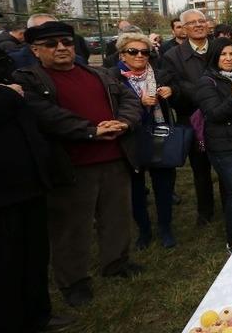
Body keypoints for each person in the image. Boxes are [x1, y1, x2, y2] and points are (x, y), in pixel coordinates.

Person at [14, 21, 144, 308]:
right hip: (72, 165)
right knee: (73, 226)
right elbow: (46, 115)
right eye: (51, 44)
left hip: (114, 157)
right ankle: (74, 281)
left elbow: (130, 100)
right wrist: (91, 130)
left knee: (116, 217)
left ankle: (116, 262)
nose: (61, 48)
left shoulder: (97, 72)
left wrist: (124, 122)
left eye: (66, 42)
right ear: (35, 50)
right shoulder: (28, 80)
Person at [0, 41, 73, 332]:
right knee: (4, 260)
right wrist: (7, 95)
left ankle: (39, 314)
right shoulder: (9, 88)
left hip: (29, 178)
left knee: (34, 254)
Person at [112, 32, 177, 250]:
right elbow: (111, 108)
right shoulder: (112, 77)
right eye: (133, 51)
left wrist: (172, 91)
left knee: (164, 186)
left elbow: (186, 94)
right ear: (122, 54)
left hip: (160, 135)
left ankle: (166, 228)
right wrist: (139, 103)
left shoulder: (160, 75)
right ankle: (144, 231)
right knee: (137, 190)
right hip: (131, 139)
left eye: (145, 52)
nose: (140, 55)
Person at [195, 37, 232, 252]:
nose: (228, 58)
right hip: (222, 146)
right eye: (223, 54)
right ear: (215, 57)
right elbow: (213, 114)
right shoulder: (206, 81)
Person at [161, 9, 220, 226]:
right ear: (184, 29)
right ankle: (205, 212)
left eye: (201, 21)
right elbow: (174, 89)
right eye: (192, 23)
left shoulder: (218, 48)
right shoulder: (172, 56)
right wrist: (203, 94)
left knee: (225, 166)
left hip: (222, 116)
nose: (198, 25)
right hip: (193, 118)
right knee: (201, 168)